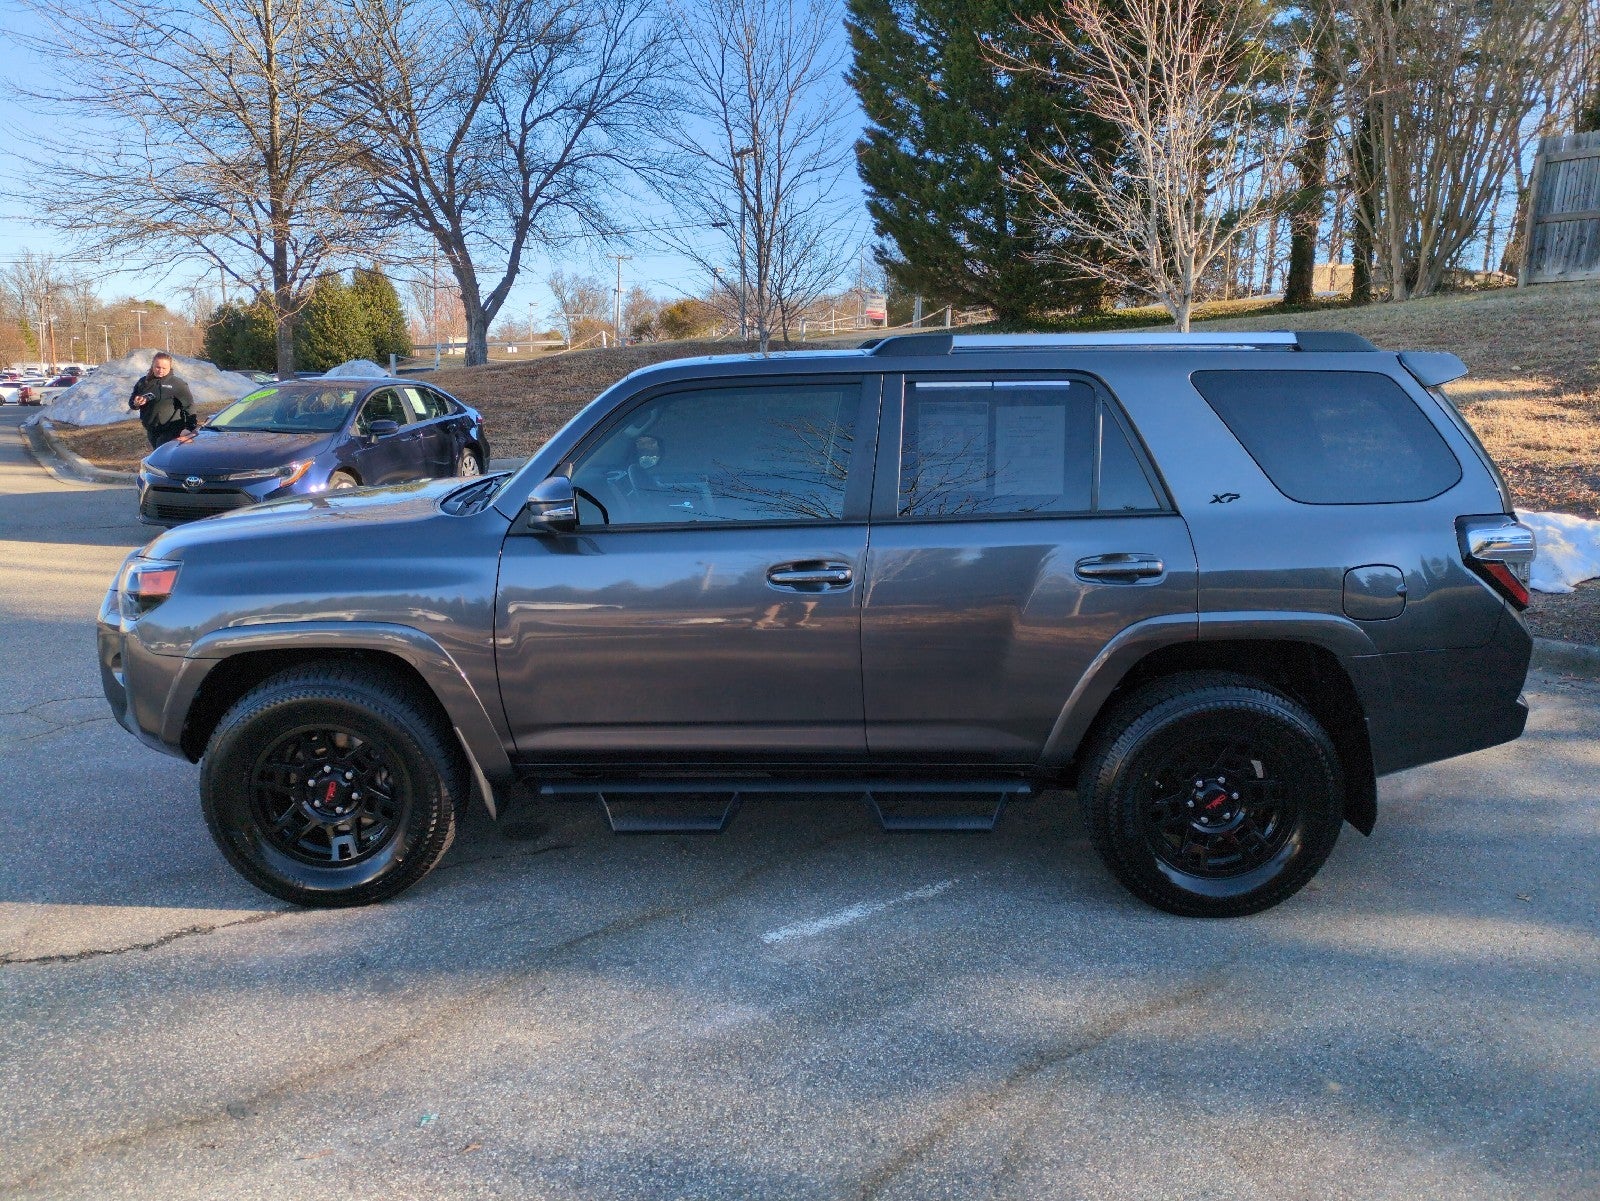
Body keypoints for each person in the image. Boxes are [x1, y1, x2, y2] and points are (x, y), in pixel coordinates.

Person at [128, 352, 196, 449]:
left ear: (170, 367)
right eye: (157, 367)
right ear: (152, 366)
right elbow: (132, 403)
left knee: (162, 453)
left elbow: (189, 405)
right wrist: (136, 403)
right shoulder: (144, 382)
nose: (160, 370)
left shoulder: (177, 384)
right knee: (158, 454)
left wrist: (189, 428)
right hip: (152, 429)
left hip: (172, 428)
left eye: (164, 368)